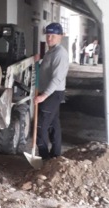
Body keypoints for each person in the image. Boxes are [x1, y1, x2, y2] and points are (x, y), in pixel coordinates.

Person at [35, 22, 69, 160]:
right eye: (48, 35)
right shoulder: (51, 51)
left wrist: (43, 96)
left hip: (51, 94)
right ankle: (55, 155)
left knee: (41, 127)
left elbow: (57, 78)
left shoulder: (60, 54)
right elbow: (47, 70)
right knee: (54, 124)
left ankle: (45, 158)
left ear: (60, 36)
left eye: (53, 36)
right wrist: (39, 61)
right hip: (50, 93)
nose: (49, 38)